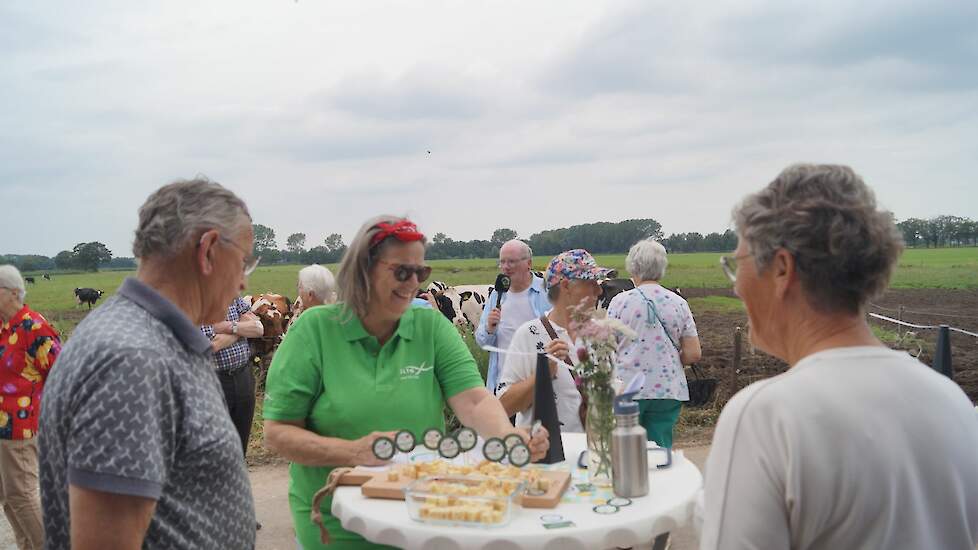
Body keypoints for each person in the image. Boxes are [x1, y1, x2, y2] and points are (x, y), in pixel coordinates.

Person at [700, 164, 978, 549]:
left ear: (782, 268)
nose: (735, 289)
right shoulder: (952, 401)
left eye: (737, 265)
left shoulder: (764, 417)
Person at [263, 216, 549, 549]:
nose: (413, 283)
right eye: (402, 271)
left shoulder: (429, 326)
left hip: (421, 516)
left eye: (420, 273)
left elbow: (473, 401)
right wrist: (352, 451)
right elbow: (277, 433)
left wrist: (508, 436)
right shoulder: (315, 330)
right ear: (364, 270)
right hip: (337, 525)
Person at [39, 178, 257, 550]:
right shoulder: (132, 361)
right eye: (244, 261)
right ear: (207, 250)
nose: (242, 282)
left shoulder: (150, 339)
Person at [497, 249, 615, 433]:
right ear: (566, 286)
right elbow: (504, 406)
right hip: (546, 456)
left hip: (595, 454)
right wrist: (543, 374)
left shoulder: (601, 334)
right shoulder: (528, 335)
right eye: (591, 283)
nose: (599, 291)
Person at [607, 239, 701, 448]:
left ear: (633, 267)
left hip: (627, 387)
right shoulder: (679, 303)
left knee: (626, 451)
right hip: (667, 389)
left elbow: (608, 345)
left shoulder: (619, 302)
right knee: (660, 452)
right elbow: (693, 354)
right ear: (662, 267)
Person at [0, 265, 61, 550]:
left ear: (13, 293)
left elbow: (61, 371)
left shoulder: (33, 327)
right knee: (9, 496)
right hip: (2, 425)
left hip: (22, 426)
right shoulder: (4, 326)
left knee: (22, 495)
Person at [475, 240, 551, 394]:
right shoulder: (497, 295)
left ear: (528, 263)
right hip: (504, 387)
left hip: (541, 386)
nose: (506, 267)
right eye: (502, 262)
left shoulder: (546, 292)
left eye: (512, 261)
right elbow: (483, 342)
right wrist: (489, 328)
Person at [200, 297, 264, 455]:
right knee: (218, 450)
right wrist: (240, 331)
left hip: (243, 377)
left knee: (240, 446)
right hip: (213, 383)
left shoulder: (231, 294)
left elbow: (258, 328)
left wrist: (227, 327)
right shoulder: (193, 301)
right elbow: (211, 345)